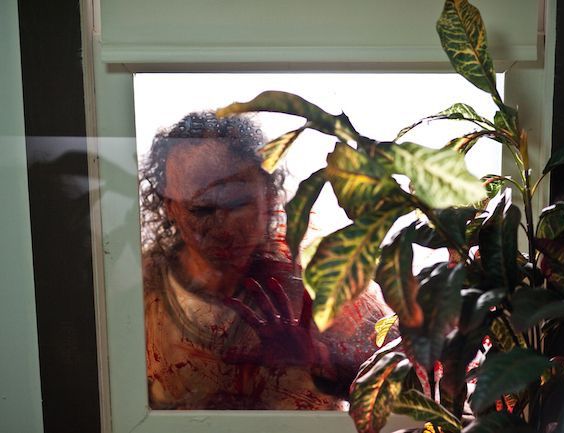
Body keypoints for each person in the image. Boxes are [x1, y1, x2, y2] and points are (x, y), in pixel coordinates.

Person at [139, 111, 391, 410]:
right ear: (171, 208)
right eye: (202, 209)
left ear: (269, 195)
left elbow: (412, 388)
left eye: (237, 203)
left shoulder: (320, 277)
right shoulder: (143, 287)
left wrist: (319, 360)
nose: (223, 227)